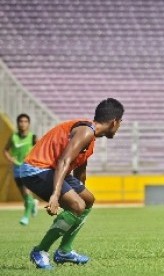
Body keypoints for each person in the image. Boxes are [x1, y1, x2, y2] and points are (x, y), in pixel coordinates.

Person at [17, 98, 124, 269]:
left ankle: (64, 251)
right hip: (36, 169)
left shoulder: (90, 138)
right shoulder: (86, 132)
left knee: (87, 200)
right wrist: (55, 195)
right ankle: (40, 251)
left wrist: (80, 191)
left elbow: (79, 171)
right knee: (77, 205)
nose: (119, 127)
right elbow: (64, 161)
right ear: (114, 122)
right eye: (120, 123)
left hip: (54, 170)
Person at [3, 113, 39, 225]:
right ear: (18, 123)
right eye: (21, 121)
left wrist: (33, 158)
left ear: (28, 124)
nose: (23, 124)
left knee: (26, 190)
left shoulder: (33, 137)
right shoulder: (13, 137)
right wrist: (10, 159)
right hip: (16, 168)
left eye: (25, 121)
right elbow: (5, 150)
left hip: (28, 167)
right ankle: (33, 203)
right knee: (24, 195)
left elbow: (39, 150)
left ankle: (26, 216)